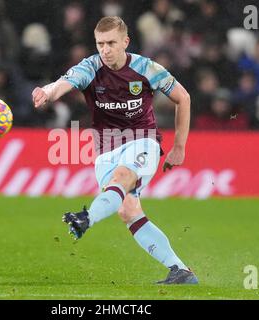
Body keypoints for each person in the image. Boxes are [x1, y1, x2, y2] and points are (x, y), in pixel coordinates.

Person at [32, 16, 197, 285]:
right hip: (106, 150)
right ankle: (181, 270)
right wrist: (48, 92)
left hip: (143, 142)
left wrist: (179, 146)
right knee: (128, 211)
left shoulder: (146, 68)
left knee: (122, 177)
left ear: (125, 42)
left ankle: (87, 218)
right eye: (100, 44)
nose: (105, 50)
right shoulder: (91, 67)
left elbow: (183, 97)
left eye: (111, 43)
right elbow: (65, 82)